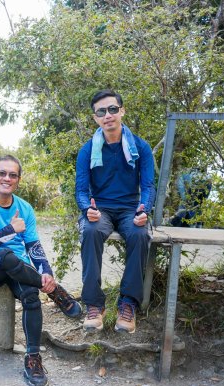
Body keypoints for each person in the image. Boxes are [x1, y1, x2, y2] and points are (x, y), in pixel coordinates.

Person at [0, 154, 81, 386]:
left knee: (29, 293)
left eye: (13, 175)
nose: (7, 178)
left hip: (19, 268)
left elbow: (33, 246)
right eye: (2, 173)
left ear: (18, 180)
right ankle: (55, 292)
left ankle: (33, 359)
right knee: (5, 255)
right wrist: (9, 229)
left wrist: (46, 271)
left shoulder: (24, 208)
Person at [75, 89, 155, 334]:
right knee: (89, 232)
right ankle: (94, 305)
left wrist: (144, 209)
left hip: (131, 208)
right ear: (95, 118)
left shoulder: (140, 147)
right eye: (101, 111)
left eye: (112, 109)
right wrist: (88, 208)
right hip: (101, 210)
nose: (107, 115)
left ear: (122, 111)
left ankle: (128, 304)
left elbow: (148, 185)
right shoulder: (87, 150)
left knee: (140, 234)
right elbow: (81, 189)